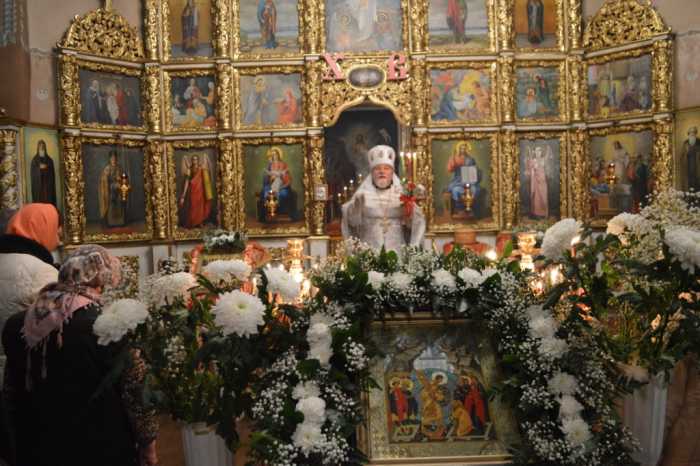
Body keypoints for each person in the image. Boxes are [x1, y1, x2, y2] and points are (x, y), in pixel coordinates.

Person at [2, 245, 158, 466]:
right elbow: (135, 391)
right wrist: (148, 445)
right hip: (101, 448)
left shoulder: (17, 324)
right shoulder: (108, 325)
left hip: (36, 447)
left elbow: (10, 392)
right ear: (101, 279)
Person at [0, 204, 60, 466]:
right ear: (41, 228)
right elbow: (56, 327)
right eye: (56, 229)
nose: (59, 237)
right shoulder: (44, 271)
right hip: (25, 375)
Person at [342, 145, 425, 252]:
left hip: (397, 250)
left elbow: (415, 223)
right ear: (372, 173)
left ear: (392, 172)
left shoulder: (402, 194)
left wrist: (410, 211)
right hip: (369, 251)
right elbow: (352, 223)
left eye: (386, 168)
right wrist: (355, 208)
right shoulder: (362, 195)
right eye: (377, 168)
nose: (382, 171)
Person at [259, 147, 298, 222]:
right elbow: (267, 178)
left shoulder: (283, 164)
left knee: (283, 194)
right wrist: (271, 177)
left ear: (278, 155)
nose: (274, 156)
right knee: (265, 192)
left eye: (276, 154)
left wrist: (281, 176)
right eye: (273, 155)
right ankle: (268, 214)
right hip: (272, 185)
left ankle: (280, 213)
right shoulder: (270, 165)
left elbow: (287, 177)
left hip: (283, 185)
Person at [446, 141, 483, 217]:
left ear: (467, 149)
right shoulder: (454, 158)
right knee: (456, 190)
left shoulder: (471, 159)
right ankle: (459, 209)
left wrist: (475, 171)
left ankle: (471, 208)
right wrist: (453, 163)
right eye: (461, 148)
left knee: (475, 189)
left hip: (469, 179)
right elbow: (449, 169)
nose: (463, 150)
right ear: (458, 149)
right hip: (458, 180)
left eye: (464, 148)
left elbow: (475, 169)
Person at [179, 154, 214, 228]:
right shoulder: (189, 169)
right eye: (193, 159)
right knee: (193, 206)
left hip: (200, 191)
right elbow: (187, 182)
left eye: (196, 159)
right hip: (193, 190)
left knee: (200, 206)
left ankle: (200, 222)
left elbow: (206, 180)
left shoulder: (201, 169)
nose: (194, 161)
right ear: (191, 161)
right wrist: (183, 195)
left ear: (198, 160)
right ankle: (193, 222)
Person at [99, 151, 128, 228]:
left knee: (120, 202)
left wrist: (121, 180)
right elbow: (104, 180)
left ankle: (119, 222)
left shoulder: (119, 167)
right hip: (110, 190)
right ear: (110, 159)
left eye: (115, 158)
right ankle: (111, 223)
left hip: (118, 190)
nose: (113, 159)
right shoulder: (107, 168)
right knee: (111, 203)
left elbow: (123, 177)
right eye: (112, 158)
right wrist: (112, 183)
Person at [30, 140, 57, 207]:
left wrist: (46, 168)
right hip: (39, 187)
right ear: (38, 148)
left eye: (43, 146)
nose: (41, 148)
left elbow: (52, 174)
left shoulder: (49, 160)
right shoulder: (34, 160)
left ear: (45, 148)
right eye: (40, 146)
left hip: (47, 186)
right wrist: (39, 169)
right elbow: (33, 174)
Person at [525, 145, 549, 219]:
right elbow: (529, 167)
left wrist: (548, 150)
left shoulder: (543, 159)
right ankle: (537, 214)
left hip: (542, 181)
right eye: (537, 151)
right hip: (536, 181)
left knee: (543, 197)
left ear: (541, 152)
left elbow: (547, 156)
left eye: (540, 150)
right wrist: (529, 152)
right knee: (536, 197)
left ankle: (544, 213)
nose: (538, 152)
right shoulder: (533, 160)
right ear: (535, 152)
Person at [681, 126, 700, 191]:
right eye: (690, 132)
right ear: (688, 134)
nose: (692, 134)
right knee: (689, 182)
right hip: (688, 166)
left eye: (694, 132)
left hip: (697, 166)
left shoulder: (699, 142)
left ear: (696, 133)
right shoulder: (685, 143)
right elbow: (682, 156)